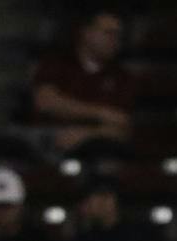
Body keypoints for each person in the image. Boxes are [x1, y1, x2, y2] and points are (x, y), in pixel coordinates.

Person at [28, 11, 134, 160]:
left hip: (97, 147)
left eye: (118, 35)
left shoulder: (122, 76)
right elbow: (46, 102)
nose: (114, 40)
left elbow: (122, 123)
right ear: (86, 33)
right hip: (49, 138)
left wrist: (85, 134)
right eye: (108, 33)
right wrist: (101, 113)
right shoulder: (57, 64)